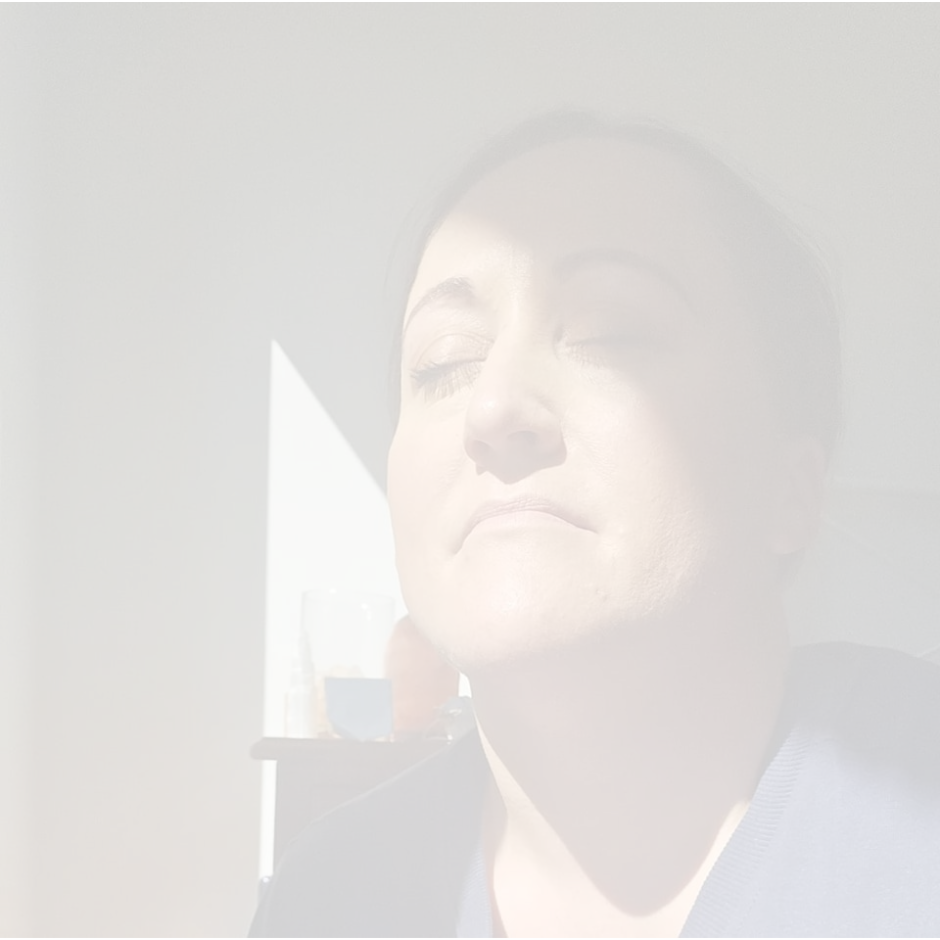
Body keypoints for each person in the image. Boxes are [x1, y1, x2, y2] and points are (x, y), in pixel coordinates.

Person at [250, 113, 940, 938]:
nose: (493, 408)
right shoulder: (328, 902)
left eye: (611, 334)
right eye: (444, 363)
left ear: (788, 490)